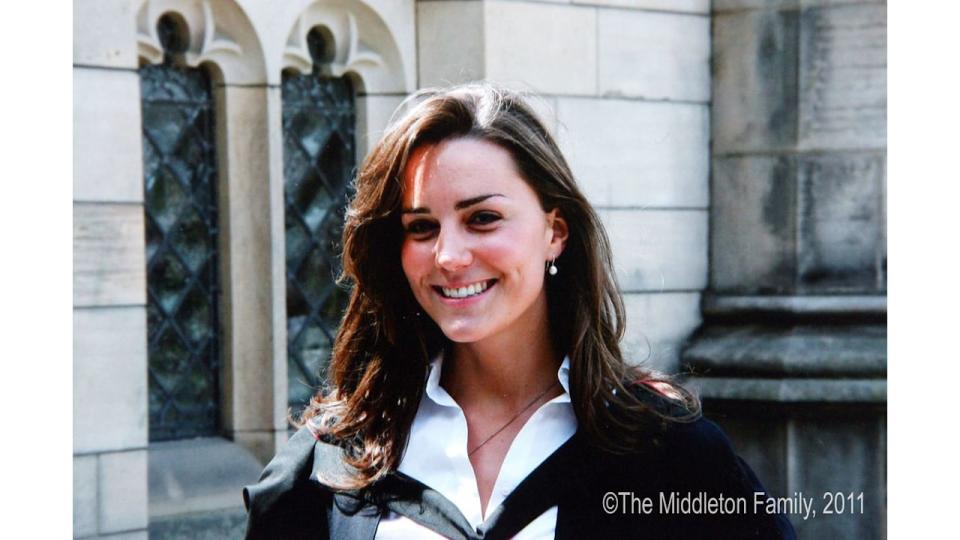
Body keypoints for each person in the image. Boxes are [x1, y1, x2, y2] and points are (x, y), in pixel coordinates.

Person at [243, 83, 796, 539]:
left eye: (482, 218)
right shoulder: (337, 458)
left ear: (555, 232)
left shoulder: (668, 454)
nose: (450, 256)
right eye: (421, 227)